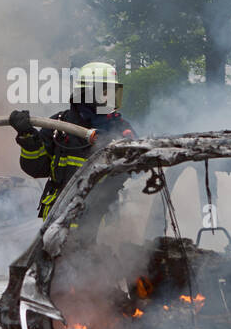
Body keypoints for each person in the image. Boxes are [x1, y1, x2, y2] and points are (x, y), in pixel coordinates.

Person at [10, 61, 136, 218]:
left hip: (101, 225)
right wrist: (28, 138)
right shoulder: (59, 125)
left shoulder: (121, 129)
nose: (110, 99)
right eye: (104, 92)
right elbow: (37, 169)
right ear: (87, 94)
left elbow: (136, 174)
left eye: (112, 92)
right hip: (57, 223)